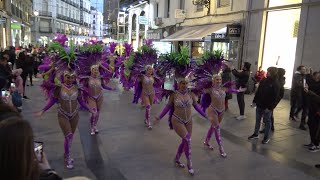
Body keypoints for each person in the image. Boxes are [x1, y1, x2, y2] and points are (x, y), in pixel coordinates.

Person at [35, 70, 94, 169]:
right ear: (64, 77)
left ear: (74, 78)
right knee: (69, 136)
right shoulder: (58, 88)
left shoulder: (77, 88)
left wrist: (90, 109)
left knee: (70, 137)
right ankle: (68, 157)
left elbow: (81, 102)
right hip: (63, 114)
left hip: (75, 115)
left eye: (72, 77)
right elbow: (52, 101)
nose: (70, 79)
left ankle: (66, 153)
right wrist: (43, 110)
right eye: (67, 77)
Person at [154, 78, 207, 176]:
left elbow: (196, 106)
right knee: (187, 140)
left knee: (185, 141)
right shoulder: (174, 94)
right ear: (179, 84)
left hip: (189, 121)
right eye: (183, 83)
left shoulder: (191, 94)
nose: (185, 85)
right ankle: (189, 163)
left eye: (186, 83)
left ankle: (177, 159)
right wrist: (159, 117)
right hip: (177, 120)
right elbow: (168, 107)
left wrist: (205, 115)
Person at [202, 75, 245, 157]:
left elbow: (231, 90)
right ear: (213, 81)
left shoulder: (223, 88)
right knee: (217, 128)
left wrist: (238, 90)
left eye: (220, 79)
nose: (218, 81)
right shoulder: (210, 90)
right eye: (216, 79)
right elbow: (200, 91)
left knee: (213, 126)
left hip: (222, 111)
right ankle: (221, 148)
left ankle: (206, 141)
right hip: (213, 110)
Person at [79, 64, 115, 135]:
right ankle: (92, 127)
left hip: (99, 97)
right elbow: (82, 87)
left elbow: (104, 86)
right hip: (91, 97)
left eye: (97, 70)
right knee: (94, 113)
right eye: (94, 70)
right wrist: (83, 90)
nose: (96, 71)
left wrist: (111, 89)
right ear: (91, 71)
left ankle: (94, 126)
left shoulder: (100, 78)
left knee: (98, 113)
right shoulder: (87, 79)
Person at [248, 67, 280, 144]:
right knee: (257, 120)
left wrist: (270, 107)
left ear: (272, 72)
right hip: (259, 104)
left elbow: (275, 97)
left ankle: (266, 137)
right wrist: (254, 101)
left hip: (267, 107)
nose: (267, 72)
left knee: (267, 122)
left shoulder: (275, 83)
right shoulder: (264, 80)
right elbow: (258, 91)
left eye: (268, 71)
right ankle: (256, 134)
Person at [303, 71, 320, 152]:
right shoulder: (314, 83)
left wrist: (309, 92)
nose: (317, 76)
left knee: (316, 127)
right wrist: (306, 89)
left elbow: (318, 98)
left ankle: (316, 145)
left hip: (318, 110)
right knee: (310, 124)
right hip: (312, 107)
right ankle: (312, 141)